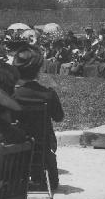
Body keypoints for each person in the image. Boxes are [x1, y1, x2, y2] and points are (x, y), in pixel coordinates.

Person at [12, 45, 65, 190]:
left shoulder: (11, 96)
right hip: (43, 145)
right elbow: (59, 117)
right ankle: (40, 174)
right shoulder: (48, 94)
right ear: (38, 71)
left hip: (17, 147)